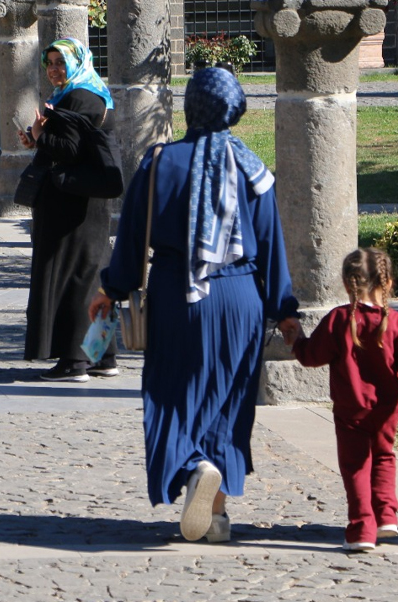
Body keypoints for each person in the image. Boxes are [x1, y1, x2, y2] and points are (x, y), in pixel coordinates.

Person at [90, 65, 300, 542]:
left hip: (176, 296)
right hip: (240, 300)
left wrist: (113, 288)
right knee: (229, 403)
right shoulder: (254, 170)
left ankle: (194, 466)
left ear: (191, 106)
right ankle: (217, 516)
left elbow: (130, 239)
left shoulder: (158, 162)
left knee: (172, 394)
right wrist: (285, 312)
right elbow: (272, 246)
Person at [291, 247, 398, 553]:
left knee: (355, 465)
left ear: (348, 284)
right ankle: (387, 516)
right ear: (387, 283)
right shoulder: (396, 322)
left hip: (351, 408)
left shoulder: (338, 320)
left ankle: (362, 527)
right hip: (388, 407)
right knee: (384, 455)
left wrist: (296, 339)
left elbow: (311, 356)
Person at [18, 37, 119, 383]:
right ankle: (103, 355)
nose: (54, 69)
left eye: (61, 62)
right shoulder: (92, 92)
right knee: (91, 275)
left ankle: (74, 361)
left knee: (72, 278)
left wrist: (39, 136)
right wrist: (38, 139)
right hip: (85, 203)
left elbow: (70, 149)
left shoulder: (77, 98)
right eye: (49, 63)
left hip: (69, 207)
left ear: (77, 62)